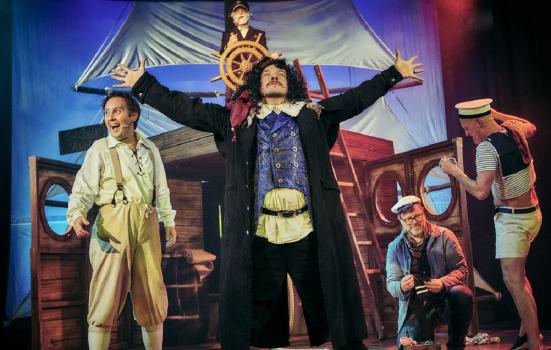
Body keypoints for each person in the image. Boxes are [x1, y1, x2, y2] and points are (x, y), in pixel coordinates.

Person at [110, 49, 423, 349]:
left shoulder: (313, 114)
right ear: (256, 85)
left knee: (331, 299)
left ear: (291, 84)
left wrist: (394, 73)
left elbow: (356, 99)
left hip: (306, 229)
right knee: (250, 310)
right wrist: (144, 84)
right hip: (261, 233)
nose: (275, 76)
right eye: (268, 74)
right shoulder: (235, 119)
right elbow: (186, 109)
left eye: (281, 74)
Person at [66, 91, 177, 350]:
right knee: (106, 291)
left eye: (116, 111)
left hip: (147, 221)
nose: (110, 117)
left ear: (133, 115)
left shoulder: (150, 148)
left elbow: (161, 187)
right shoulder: (100, 149)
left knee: (152, 292)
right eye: (107, 113)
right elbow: (82, 187)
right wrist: (76, 213)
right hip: (112, 223)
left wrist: (168, 219)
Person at [440, 99, 543, 350]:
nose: (466, 133)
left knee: (513, 281)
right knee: (520, 278)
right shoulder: (513, 129)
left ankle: (534, 344)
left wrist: (455, 172)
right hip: (532, 215)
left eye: (467, 128)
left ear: (478, 121)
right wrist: (496, 114)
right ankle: (528, 331)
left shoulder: (486, 149)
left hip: (513, 221)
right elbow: (532, 126)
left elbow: (480, 191)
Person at [385, 195, 473, 349]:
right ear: (401, 220)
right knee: (408, 345)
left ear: (423, 212)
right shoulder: (394, 247)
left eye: (417, 216)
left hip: (444, 300)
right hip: (416, 307)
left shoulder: (445, 236)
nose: (414, 221)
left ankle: (456, 346)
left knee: (462, 294)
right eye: (408, 219)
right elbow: (391, 283)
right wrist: (401, 286)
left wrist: (442, 283)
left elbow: (461, 269)